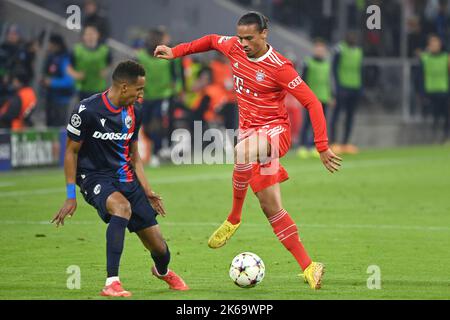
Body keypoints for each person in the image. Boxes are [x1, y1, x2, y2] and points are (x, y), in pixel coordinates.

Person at [154, 11, 342, 290]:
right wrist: (176, 51)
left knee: (241, 152)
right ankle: (309, 267)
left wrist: (322, 147)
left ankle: (234, 217)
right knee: (271, 207)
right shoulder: (233, 46)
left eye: (249, 38)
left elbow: (313, 103)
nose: (242, 43)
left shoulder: (280, 67)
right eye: (240, 37)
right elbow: (209, 40)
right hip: (251, 137)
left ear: (264, 33)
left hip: (275, 133)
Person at [51, 60, 189, 297]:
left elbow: (134, 156)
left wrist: (146, 189)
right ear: (124, 87)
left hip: (127, 178)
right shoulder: (87, 111)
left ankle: (162, 271)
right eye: (139, 90)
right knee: (121, 208)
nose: (142, 95)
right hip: (94, 177)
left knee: (160, 248)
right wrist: (70, 195)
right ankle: (111, 282)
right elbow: (71, 152)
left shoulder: (136, 112)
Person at [297, 39, 333, 159]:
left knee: (319, 124)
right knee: (307, 123)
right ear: (314, 50)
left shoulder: (327, 64)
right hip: (310, 99)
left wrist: (330, 96)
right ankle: (302, 146)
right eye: (318, 49)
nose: (320, 52)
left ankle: (314, 147)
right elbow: (303, 80)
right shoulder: (308, 63)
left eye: (322, 50)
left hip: (323, 97)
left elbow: (328, 82)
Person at [330, 31, 363, 155]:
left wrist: (361, 87)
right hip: (342, 87)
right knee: (336, 115)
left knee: (350, 116)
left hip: (355, 87)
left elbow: (360, 70)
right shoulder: (339, 49)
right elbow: (334, 69)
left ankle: (346, 143)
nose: (352, 37)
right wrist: (337, 87)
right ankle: (333, 142)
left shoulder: (359, 51)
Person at [67, 25, 112, 101]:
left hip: (98, 89)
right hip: (81, 88)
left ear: (98, 35)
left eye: (92, 34)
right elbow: (68, 67)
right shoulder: (77, 50)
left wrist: (106, 71)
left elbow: (110, 64)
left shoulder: (105, 50)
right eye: (87, 34)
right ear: (83, 36)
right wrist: (76, 74)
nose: (90, 37)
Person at [419, 34, 450, 142]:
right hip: (429, 92)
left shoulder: (446, 57)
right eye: (432, 43)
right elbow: (419, 75)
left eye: (436, 43)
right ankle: (432, 138)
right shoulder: (425, 58)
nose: (434, 45)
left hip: (444, 90)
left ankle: (445, 137)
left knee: (447, 115)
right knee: (433, 117)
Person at [41, 34, 75, 127]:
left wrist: (51, 82)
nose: (48, 47)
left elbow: (69, 81)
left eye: (50, 44)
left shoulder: (65, 59)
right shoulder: (52, 57)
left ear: (56, 45)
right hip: (51, 98)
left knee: (57, 128)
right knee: (49, 125)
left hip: (61, 100)